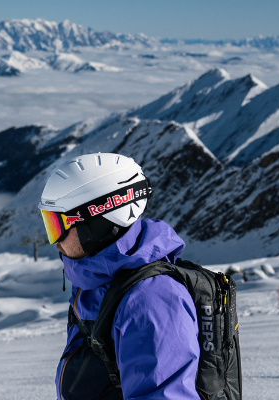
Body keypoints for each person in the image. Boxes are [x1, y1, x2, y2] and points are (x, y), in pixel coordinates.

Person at [42, 153, 200, 400]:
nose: (54, 241)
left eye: (57, 226)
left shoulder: (150, 298)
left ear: (96, 221)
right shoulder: (97, 284)